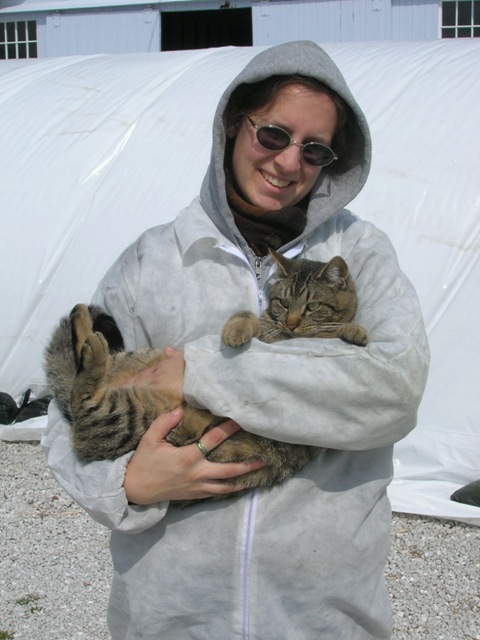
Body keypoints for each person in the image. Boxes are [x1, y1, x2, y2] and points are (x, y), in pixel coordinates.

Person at [42, 40, 430, 639]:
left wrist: (198, 374)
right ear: (232, 124)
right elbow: (69, 413)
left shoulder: (362, 254)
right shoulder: (153, 260)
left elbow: (394, 388)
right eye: (272, 134)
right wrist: (126, 485)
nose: (288, 162)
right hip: (173, 617)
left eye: (315, 149)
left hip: (322, 617)